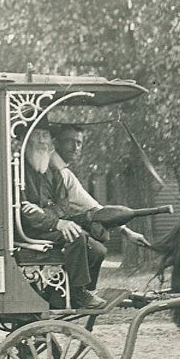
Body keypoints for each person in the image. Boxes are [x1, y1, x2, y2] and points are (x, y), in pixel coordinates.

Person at [18, 127, 107, 311]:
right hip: (29, 231)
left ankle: (64, 294)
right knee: (76, 237)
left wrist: (46, 213)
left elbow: (63, 207)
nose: (43, 141)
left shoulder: (53, 172)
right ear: (26, 141)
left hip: (49, 226)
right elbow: (24, 212)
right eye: (37, 136)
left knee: (98, 250)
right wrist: (55, 221)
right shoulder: (18, 172)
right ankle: (77, 293)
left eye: (45, 136)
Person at [50, 124, 150, 248]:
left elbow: (92, 207)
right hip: (43, 227)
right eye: (69, 141)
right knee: (95, 249)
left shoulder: (65, 174)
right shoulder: (48, 167)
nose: (75, 147)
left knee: (96, 248)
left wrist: (127, 232)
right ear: (56, 143)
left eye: (79, 143)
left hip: (53, 226)